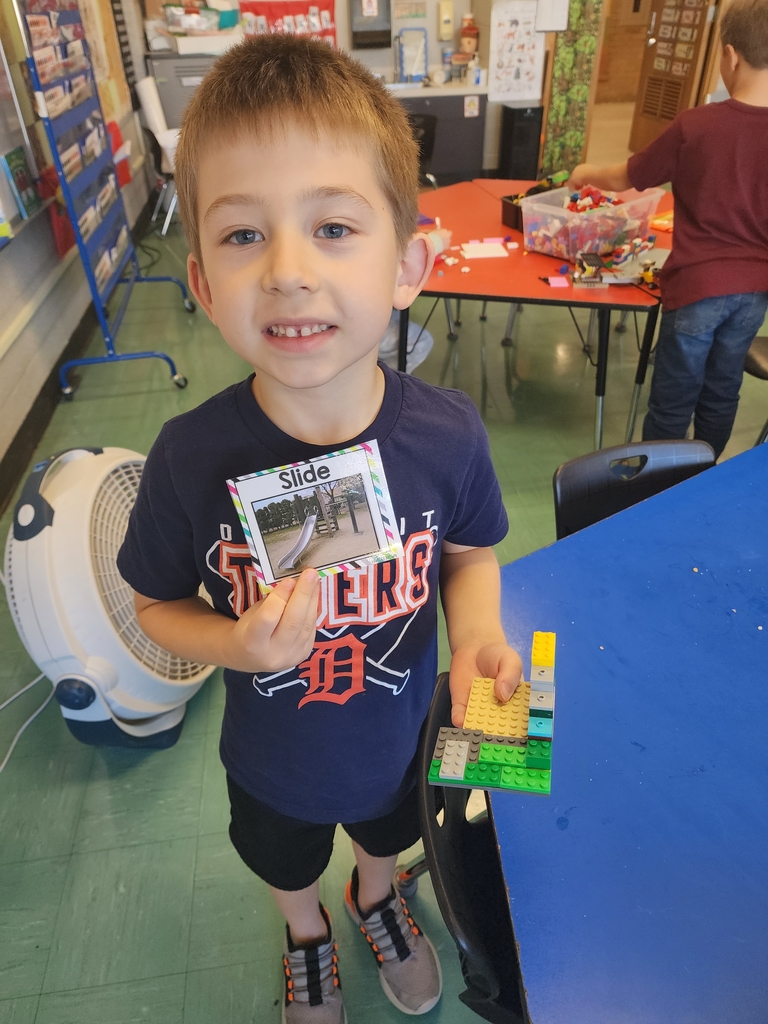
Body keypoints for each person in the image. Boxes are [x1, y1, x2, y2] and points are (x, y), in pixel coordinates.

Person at [117, 35, 522, 1024]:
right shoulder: (188, 455)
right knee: (283, 855)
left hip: (399, 727)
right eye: (244, 235)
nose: (290, 272)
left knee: (384, 833)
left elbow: (471, 551)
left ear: (408, 264)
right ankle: (305, 931)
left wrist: (475, 636)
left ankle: (375, 899)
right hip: (272, 755)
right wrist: (232, 641)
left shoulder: (446, 434)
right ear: (203, 285)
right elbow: (155, 603)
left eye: (334, 226)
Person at [570, 0, 768, 458]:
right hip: (755, 292)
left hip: (698, 286)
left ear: (730, 56)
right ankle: (705, 469)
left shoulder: (696, 125)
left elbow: (625, 176)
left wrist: (584, 171)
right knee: (723, 386)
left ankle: (658, 481)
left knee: (674, 395)